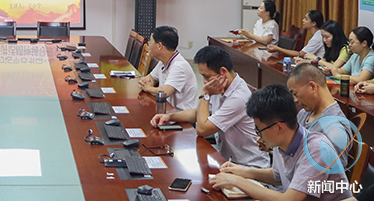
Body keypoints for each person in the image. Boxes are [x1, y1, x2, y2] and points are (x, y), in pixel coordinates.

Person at [212, 84, 352, 201]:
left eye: (259, 129)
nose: (258, 135)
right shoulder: (283, 140)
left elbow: (289, 199)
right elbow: (278, 176)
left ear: (279, 127)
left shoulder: (316, 150)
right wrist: (242, 171)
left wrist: (237, 181)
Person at [150, 46, 269, 168]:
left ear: (223, 72)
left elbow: (202, 129)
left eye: (207, 76)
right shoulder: (220, 86)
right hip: (227, 161)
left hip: (248, 166)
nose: (205, 82)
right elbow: (198, 113)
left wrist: (205, 94)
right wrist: (169, 116)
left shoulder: (238, 98)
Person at [286, 62, 352, 168]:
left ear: (312, 86)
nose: (295, 100)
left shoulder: (334, 129)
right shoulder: (304, 113)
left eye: (295, 94)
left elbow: (333, 173)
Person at [137, 26, 198, 111]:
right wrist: (145, 82)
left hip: (181, 115)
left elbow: (165, 92)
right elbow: (150, 78)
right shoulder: (163, 61)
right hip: (167, 110)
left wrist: (148, 88)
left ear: (159, 46)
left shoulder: (179, 66)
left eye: (150, 42)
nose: (149, 46)